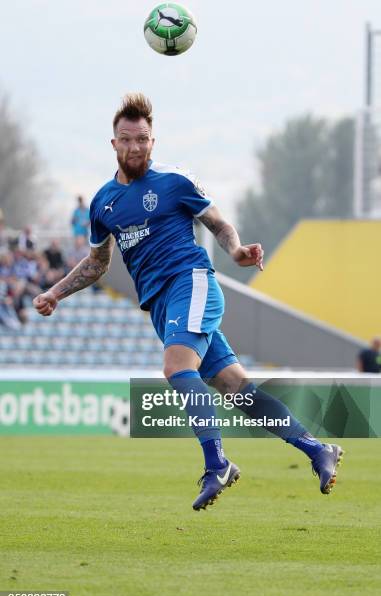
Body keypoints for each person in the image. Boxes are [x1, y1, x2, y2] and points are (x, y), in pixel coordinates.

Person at [33, 93, 344, 511]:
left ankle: (217, 464)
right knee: (237, 388)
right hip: (161, 305)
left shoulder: (174, 182)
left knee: (177, 367)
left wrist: (235, 252)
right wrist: (55, 292)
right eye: (126, 140)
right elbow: (96, 264)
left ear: (153, 141)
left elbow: (218, 223)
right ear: (113, 145)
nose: (135, 147)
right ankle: (316, 449)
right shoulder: (103, 203)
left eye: (143, 139)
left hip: (191, 283)